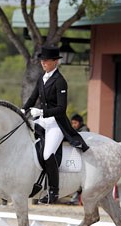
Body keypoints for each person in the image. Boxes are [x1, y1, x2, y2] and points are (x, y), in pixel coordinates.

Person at [21, 46, 89, 204]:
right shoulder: (41, 78)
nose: (43, 63)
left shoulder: (60, 81)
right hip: (42, 121)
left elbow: (61, 108)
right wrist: (23, 110)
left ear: (55, 62)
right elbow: (32, 98)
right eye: (42, 60)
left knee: (46, 155)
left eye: (46, 61)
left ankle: (53, 191)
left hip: (56, 124)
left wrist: (42, 113)